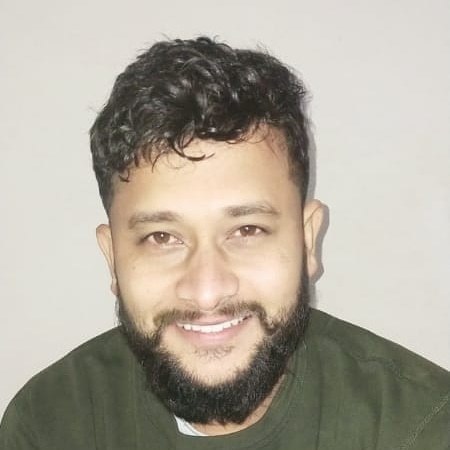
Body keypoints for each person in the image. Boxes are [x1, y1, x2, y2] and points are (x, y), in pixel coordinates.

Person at [0, 36, 448, 450]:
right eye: (162, 237)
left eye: (247, 230)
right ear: (113, 257)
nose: (207, 291)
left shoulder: (420, 428)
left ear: (308, 240)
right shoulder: (47, 426)